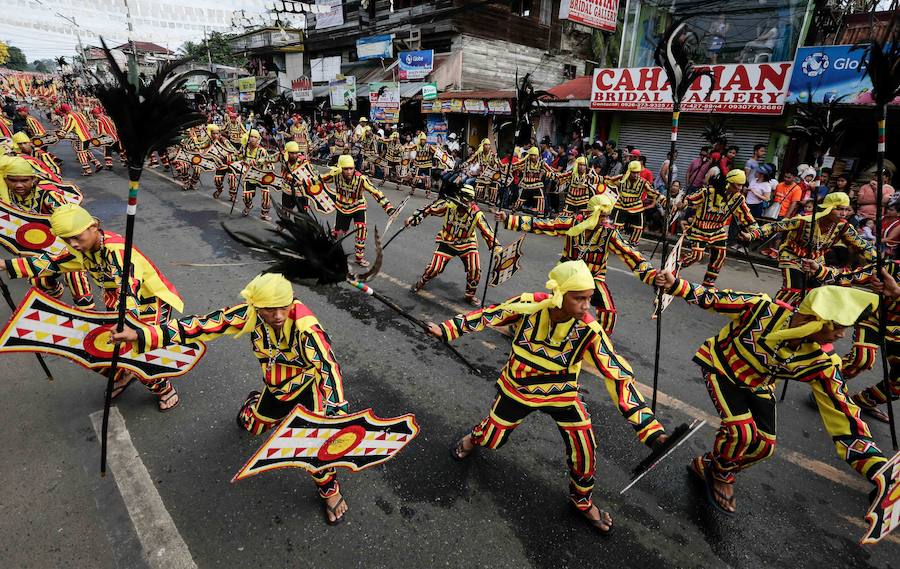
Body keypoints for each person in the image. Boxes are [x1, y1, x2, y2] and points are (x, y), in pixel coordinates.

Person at [426, 261, 669, 536]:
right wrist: (447, 329)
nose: (586, 306)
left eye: (589, 299)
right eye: (579, 298)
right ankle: (473, 438)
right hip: (518, 389)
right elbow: (489, 314)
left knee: (585, 445)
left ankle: (582, 500)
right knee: (493, 438)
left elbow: (618, 375)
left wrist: (650, 429)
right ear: (560, 295)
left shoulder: (590, 329)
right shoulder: (529, 305)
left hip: (563, 393)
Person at [652, 269, 895, 518]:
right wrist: (675, 285)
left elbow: (845, 417)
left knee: (763, 447)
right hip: (721, 368)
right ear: (815, 318)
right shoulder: (760, 308)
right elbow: (712, 298)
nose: (841, 335)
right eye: (837, 326)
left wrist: (878, 469)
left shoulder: (822, 362)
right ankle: (721, 474)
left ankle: (708, 465)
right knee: (741, 431)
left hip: (759, 384)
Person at [112, 273, 350, 524]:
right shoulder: (249, 315)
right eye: (269, 309)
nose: (278, 315)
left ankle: (330, 492)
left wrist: (336, 414)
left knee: (315, 445)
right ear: (257, 307)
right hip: (276, 389)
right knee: (253, 426)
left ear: (292, 302)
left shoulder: (307, 330)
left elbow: (328, 368)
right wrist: (142, 335)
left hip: (308, 392)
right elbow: (203, 325)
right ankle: (252, 405)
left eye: (283, 306)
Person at [1, 204, 183, 411]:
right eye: (67, 239)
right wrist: (6, 264)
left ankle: (163, 389)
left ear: (94, 226)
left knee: (137, 350)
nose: (73, 244)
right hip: (116, 301)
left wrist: (130, 326)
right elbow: (54, 263)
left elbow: (129, 287)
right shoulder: (81, 247)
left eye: (77, 237)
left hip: (147, 302)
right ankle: (123, 375)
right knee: (100, 347)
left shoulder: (118, 252)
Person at [497, 193, 658, 335]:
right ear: (590, 213)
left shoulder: (609, 233)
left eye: (607, 216)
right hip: (568, 276)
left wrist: (651, 273)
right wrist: (509, 219)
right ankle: (520, 327)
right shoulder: (572, 224)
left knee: (608, 312)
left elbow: (629, 253)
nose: (606, 220)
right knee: (554, 307)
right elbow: (544, 224)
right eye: (602, 216)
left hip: (593, 277)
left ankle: (595, 342)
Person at [742, 192, 875, 306]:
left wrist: (878, 261)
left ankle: (797, 319)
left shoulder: (844, 227)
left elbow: (863, 245)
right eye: (839, 209)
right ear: (828, 208)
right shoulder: (804, 221)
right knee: (793, 290)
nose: (844, 213)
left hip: (817, 261)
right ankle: (773, 314)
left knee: (813, 293)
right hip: (792, 255)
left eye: (847, 210)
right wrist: (751, 235)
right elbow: (774, 226)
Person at [0, 157, 93, 309]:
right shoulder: (5, 198)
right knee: (39, 282)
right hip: (34, 248)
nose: (18, 185)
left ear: (34, 180)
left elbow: (69, 220)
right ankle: (54, 301)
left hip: (64, 244)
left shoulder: (48, 195)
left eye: (24, 180)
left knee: (75, 276)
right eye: (12, 180)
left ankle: (88, 316)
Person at [406, 184, 500, 306]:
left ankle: (469, 295)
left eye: (467, 203)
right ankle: (421, 282)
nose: (463, 206)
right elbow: (428, 209)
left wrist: (496, 248)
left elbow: (487, 231)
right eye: (461, 202)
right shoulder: (448, 205)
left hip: (467, 243)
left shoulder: (477, 214)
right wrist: (413, 219)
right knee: (435, 268)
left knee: (475, 269)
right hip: (447, 240)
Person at [680, 169, 758, 287]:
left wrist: (757, 231)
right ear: (729, 183)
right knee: (696, 256)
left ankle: (708, 284)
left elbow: (747, 217)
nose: (740, 188)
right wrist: (683, 203)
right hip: (700, 228)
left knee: (720, 255)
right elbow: (690, 199)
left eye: (742, 185)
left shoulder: (738, 198)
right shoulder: (707, 192)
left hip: (718, 230)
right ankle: (674, 268)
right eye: (738, 185)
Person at [320, 154, 396, 267]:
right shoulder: (335, 176)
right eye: (346, 169)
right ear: (340, 169)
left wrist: (388, 208)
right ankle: (327, 244)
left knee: (361, 230)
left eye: (351, 168)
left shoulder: (361, 179)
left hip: (358, 207)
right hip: (342, 208)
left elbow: (375, 192)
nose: (349, 171)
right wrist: (304, 183)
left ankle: (359, 258)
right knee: (339, 233)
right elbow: (319, 179)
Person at [605, 160, 664, 245]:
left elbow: (653, 192)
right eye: (633, 173)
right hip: (621, 205)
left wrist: (665, 201)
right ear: (629, 171)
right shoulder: (621, 178)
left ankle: (633, 243)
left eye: (637, 173)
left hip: (636, 207)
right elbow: (608, 180)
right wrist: (595, 178)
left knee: (638, 228)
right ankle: (614, 243)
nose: (636, 175)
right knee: (617, 226)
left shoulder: (643, 182)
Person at [55, 104, 102, 176]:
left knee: (81, 153)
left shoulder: (71, 116)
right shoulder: (79, 113)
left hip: (81, 137)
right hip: (87, 135)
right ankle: (97, 163)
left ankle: (87, 170)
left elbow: (69, 126)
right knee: (87, 150)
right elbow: (87, 124)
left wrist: (62, 133)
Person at [512, 146, 558, 213]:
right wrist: (509, 166)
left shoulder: (542, 163)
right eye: (531, 155)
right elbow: (516, 165)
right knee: (521, 200)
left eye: (534, 155)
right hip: (526, 185)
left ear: (537, 155)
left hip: (537, 185)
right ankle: (513, 211)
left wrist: (550, 175)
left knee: (540, 199)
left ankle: (540, 214)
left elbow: (550, 171)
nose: (533, 157)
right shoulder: (525, 162)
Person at [205, 124, 239, 201]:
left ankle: (233, 195)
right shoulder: (210, 141)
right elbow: (201, 145)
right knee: (217, 179)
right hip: (220, 163)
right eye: (213, 133)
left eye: (217, 133)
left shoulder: (225, 140)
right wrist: (190, 146)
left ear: (220, 133)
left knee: (232, 179)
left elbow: (233, 150)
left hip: (230, 162)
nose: (215, 135)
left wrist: (227, 155)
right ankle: (219, 189)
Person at [408, 133, 435, 198]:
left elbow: (434, 152)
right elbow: (410, 149)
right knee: (416, 179)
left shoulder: (429, 146)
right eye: (422, 139)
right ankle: (412, 190)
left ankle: (428, 194)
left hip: (427, 164)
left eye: (424, 139)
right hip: (419, 165)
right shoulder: (416, 146)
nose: (423, 141)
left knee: (428, 179)